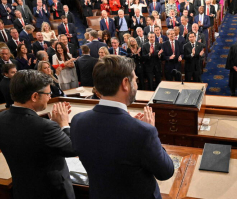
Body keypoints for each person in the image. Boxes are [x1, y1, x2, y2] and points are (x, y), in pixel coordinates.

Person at [71, 55, 174, 198]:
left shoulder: (78, 121)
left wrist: (131, 123)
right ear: (125, 83)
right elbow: (165, 172)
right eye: (135, 80)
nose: (136, 85)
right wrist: (150, 131)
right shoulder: (144, 132)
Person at [0, 70, 76, 199]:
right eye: (48, 93)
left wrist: (53, 124)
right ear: (34, 96)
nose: (50, 97)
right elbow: (72, 149)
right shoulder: (44, 127)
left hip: (23, 189)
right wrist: (64, 123)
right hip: (51, 192)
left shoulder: (0, 118)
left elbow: (31, 139)